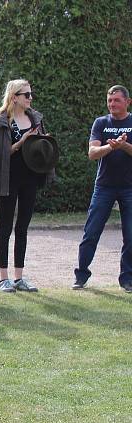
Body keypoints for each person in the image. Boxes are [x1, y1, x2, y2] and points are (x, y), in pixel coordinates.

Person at [0, 79, 55, 293]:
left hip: (31, 177)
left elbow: (41, 147)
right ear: (14, 96)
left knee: (23, 227)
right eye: (26, 95)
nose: (30, 98)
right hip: (9, 177)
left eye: (31, 94)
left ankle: (19, 277)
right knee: (5, 227)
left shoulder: (35, 118)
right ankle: (3, 278)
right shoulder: (1, 120)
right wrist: (23, 140)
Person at [72, 85, 132, 292]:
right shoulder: (101, 122)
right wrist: (111, 147)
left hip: (129, 188)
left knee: (130, 235)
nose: (112, 104)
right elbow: (92, 153)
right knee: (91, 231)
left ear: (127, 102)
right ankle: (81, 275)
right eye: (109, 100)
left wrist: (125, 146)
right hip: (104, 186)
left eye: (116, 100)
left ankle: (127, 279)